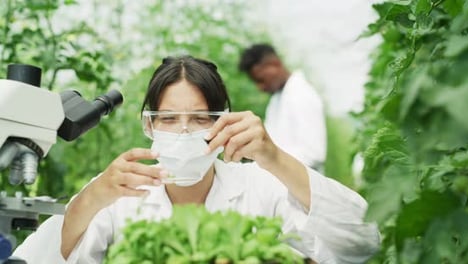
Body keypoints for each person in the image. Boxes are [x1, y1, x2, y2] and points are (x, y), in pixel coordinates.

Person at [13, 55, 379, 263]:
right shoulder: (117, 190)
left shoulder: (258, 186)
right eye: (169, 119)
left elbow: (363, 240)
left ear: (225, 122)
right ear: (148, 125)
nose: (185, 132)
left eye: (201, 119)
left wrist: (274, 157)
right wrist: (92, 199)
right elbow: (44, 258)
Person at [239, 43, 327, 172]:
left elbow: (313, 153)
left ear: (275, 64)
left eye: (261, 80)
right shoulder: (277, 99)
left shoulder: (301, 93)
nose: (260, 87)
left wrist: (268, 159)